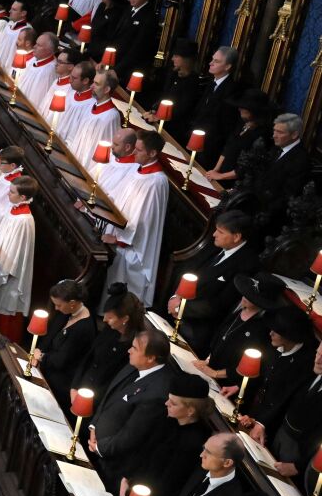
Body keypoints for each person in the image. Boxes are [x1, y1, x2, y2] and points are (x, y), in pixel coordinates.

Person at [121, 374, 213, 496]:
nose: (166, 404)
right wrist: (127, 478)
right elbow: (144, 451)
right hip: (135, 490)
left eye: (173, 403)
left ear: (190, 411)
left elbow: (169, 485)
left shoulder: (196, 443)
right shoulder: (166, 419)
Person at [87, 329, 174, 490]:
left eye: (134, 348)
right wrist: (94, 425)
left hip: (112, 462)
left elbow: (132, 434)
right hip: (97, 442)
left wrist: (100, 447)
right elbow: (109, 395)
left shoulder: (157, 393)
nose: (129, 350)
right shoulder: (134, 364)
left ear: (150, 358)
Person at [166, 211, 260, 355]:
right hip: (175, 309)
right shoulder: (215, 244)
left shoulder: (248, 264)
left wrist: (181, 309)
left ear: (236, 237)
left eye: (220, 231)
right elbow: (188, 269)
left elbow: (221, 304)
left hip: (198, 329)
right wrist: (176, 297)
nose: (214, 234)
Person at [102, 130, 169, 307]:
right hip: (118, 233)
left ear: (152, 153)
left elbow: (144, 221)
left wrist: (118, 239)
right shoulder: (137, 170)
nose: (133, 153)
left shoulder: (156, 182)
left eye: (139, 150)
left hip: (132, 246)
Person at [239, 307, 318, 446]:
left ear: (289, 336)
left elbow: (285, 399)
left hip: (271, 426)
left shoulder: (305, 365)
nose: (271, 333)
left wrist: (260, 422)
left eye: (276, 331)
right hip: (252, 412)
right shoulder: (274, 346)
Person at [192, 272, 280, 391]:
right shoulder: (239, 308)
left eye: (250, 296)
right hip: (210, 368)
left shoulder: (262, 329)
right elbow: (222, 335)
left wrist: (216, 373)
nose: (244, 296)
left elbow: (253, 366)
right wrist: (208, 361)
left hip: (228, 385)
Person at [0, 176, 38, 343]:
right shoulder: (14, 210)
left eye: (12, 192)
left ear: (23, 197)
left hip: (9, 275)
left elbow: (14, 253)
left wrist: (0, 271)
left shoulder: (23, 221)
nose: (8, 194)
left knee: (5, 309)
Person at [31, 280, 97, 402]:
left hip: (61, 378)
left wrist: (41, 357)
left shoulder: (83, 328)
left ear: (72, 303)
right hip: (48, 363)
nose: (56, 308)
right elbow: (51, 334)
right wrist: (39, 349)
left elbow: (62, 360)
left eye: (59, 305)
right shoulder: (67, 311)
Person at [204, 88, 273, 188]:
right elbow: (228, 147)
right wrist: (216, 170)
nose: (239, 109)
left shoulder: (261, 135)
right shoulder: (242, 123)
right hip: (220, 175)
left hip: (235, 184)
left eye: (243, 107)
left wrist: (221, 176)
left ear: (253, 110)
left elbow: (246, 167)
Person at [188, 46, 242, 168]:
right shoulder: (211, 83)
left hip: (210, 147)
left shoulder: (232, 90)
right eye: (212, 59)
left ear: (228, 66)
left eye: (216, 61)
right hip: (195, 138)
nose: (210, 63)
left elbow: (224, 125)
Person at [140, 39, 201, 143]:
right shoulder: (172, 74)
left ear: (186, 60)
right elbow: (163, 96)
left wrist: (159, 116)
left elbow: (182, 109)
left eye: (176, 56)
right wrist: (154, 110)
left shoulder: (193, 82)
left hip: (172, 129)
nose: (172, 59)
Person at [111, 0, 158, 79]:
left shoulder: (149, 17)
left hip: (129, 70)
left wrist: (117, 70)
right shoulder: (128, 9)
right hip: (115, 63)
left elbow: (138, 48)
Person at [16, 32, 58, 108]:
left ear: (49, 50)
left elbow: (37, 100)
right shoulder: (35, 59)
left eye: (39, 45)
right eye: (36, 43)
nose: (34, 47)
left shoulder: (49, 71)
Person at [0, 0, 33, 70]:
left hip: (7, 71)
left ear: (23, 13)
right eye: (11, 8)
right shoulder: (10, 24)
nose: (10, 11)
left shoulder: (26, 31)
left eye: (14, 10)